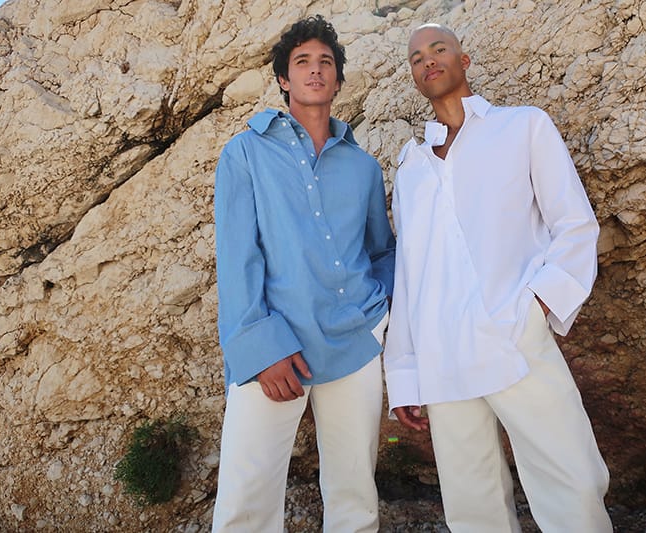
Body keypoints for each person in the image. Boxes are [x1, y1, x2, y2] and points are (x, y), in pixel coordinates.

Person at [383, 23, 613, 532]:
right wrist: (404, 373)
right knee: (472, 506)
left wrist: (536, 308)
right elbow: (409, 273)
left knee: (572, 481)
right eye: (417, 58)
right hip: (443, 354)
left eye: (439, 49)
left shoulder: (522, 127)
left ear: (463, 60)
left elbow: (574, 224)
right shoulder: (411, 169)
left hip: (515, 336)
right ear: (415, 77)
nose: (428, 60)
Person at [211, 15, 395, 532]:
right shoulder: (245, 153)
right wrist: (259, 345)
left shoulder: (362, 167)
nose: (315, 70)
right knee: (246, 498)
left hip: (355, 342)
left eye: (326, 63)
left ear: (337, 81)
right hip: (276, 347)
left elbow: (382, 250)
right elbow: (237, 256)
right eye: (302, 62)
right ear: (284, 79)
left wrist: (378, 312)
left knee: (355, 494)